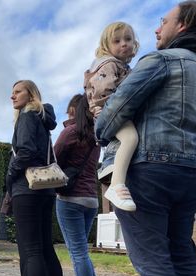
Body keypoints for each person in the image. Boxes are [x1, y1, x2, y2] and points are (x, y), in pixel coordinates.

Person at [95, 1, 196, 276]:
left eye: (164, 21)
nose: (157, 28)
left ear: (182, 25)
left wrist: (101, 130)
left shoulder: (161, 60)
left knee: (153, 261)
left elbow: (116, 108)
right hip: (191, 172)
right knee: (183, 255)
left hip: (150, 171)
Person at [6, 80, 63, 276]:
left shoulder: (28, 116)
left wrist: (10, 173)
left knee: (31, 250)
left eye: (17, 92)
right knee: (46, 247)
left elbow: (26, 151)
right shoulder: (42, 119)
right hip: (45, 188)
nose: (12, 97)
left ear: (31, 95)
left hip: (26, 189)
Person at [84, 21, 139, 212]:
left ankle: (113, 169)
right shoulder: (109, 64)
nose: (124, 44)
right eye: (117, 41)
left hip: (110, 111)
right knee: (131, 138)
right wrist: (102, 106)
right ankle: (116, 184)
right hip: (112, 110)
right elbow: (102, 90)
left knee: (126, 140)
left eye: (128, 39)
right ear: (107, 46)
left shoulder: (120, 65)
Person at [54, 95, 102, 276]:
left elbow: (53, 160)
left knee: (77, 252)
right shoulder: (96, 135)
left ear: (75, 109)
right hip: (91, 198)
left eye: (69, 110)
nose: (67, 114)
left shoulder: (70, 132)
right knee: (82, 250)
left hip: (69, 197)